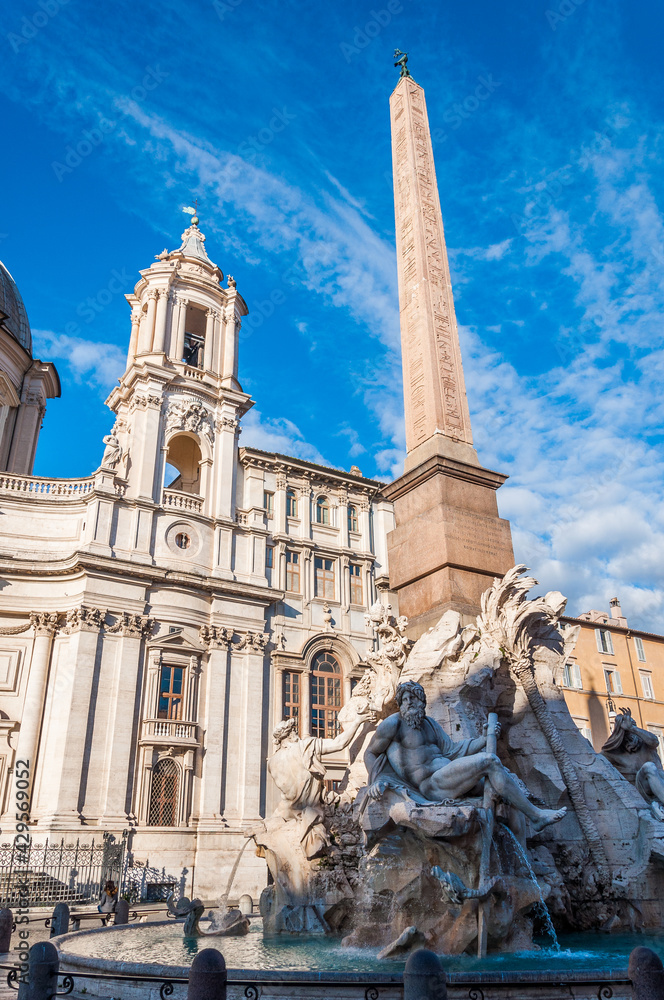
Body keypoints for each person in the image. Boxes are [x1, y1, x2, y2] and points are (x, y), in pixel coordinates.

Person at [364, 680, 567, 833]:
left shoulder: (430, 724)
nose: (409, 703)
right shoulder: (393, 724)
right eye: (404, 700)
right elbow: (370, 752)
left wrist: (484, 738)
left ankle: (521, 865)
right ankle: (536, 816)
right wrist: (377, 780)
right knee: (489, 761)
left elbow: (453, 751)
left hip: (449, 777)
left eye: (413, 698)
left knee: (508, 790)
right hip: (431, 786)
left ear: (422, 701)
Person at [601, 708, 664, 821]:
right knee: (648, 767)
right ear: (622, 732)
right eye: (629, 729)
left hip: (659, 783)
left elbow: (655, 741)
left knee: (654, 769)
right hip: (640, 790)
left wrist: (633, 728)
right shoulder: (612, 753)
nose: (635, 733)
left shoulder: (646, 744)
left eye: (635, 727)